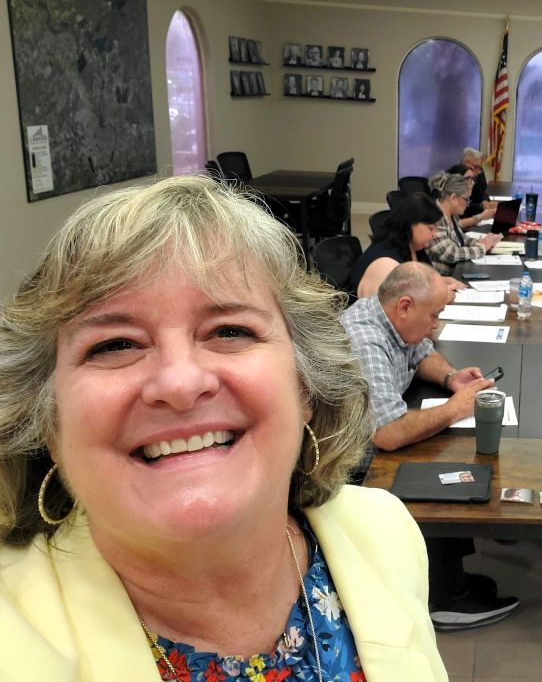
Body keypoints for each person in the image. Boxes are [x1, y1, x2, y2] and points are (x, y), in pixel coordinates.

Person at [0, 176, 447, 679]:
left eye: (230, 331)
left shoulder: (384, 532)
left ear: (305, 387)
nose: (180, 382)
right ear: (47, 421)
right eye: (115, 345)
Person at [341, 262, 519, 630]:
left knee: (449, 448)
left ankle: (452, 574)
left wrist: (452, 378)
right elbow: (387, 434)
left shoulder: (392, 319)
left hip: (371, 440)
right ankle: (444, 598)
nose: (436, 324)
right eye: (434, 315)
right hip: (349, 465)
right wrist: (455, 409)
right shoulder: (366, 339)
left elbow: (422, 351)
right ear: (405, 306)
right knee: (446, 467)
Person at [349, 192, 465, 300]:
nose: (434, 234)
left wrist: (443, 281)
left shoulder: (415, 247)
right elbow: (397, 306)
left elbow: (417, 282)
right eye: (430, 228)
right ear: (410, 224)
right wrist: (440, 297)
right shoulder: (386, 260)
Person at [426, 171, 502, 276]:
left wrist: (481, 242)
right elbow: (450, 254)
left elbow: (462, 239)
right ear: (453, 198)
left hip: (455, 272)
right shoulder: (435, 217)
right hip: (441, 278)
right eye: (467, 199)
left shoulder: (452, 215)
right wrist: (482, 248)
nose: (468, 204)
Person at [447, 162, 496, 229]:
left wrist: (484, 205)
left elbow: (478, 198)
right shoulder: (447, 198)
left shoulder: (469, 190)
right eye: (468, 179)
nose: (472, 183)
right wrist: (480, 217)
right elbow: (453, 225)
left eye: (473, 179)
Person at [459, 148, 496, 218]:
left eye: (480, 168)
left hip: (480, 215)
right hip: (466, 217)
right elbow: (464, 205)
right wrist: (481, 206)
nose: (478, 172)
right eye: (476, 167)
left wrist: (485, 201)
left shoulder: (479, 172)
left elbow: (483, 192)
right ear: (465, 163)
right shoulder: (456, 177)